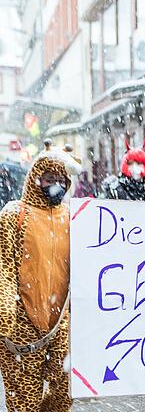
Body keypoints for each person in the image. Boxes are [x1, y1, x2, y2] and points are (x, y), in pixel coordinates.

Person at [0, 146, 81, 411]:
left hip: (61, 324)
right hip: (21, 326)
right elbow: (4, 267)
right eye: (49, 179)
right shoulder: (13, 215)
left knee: (65, 391)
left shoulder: (74, 218)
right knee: (24, 399)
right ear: (36, 178)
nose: (56, 186)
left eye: (61, 181)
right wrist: (5, 313)